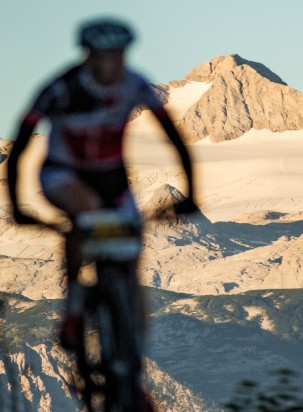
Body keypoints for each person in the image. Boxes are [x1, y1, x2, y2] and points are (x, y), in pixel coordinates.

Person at [7, 17, 197, 409]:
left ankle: (133, 371)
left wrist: (193, 191)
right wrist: (15, 206)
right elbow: (23, 143)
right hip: (63, 175)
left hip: (113, 180)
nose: (112, 63)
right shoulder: (62, 88)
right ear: (88, 56)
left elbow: (175, 138)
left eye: (119, 55)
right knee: (87, 218)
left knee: (131, 258)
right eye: (103, 56)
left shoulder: (135, 84)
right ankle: (74, 311)